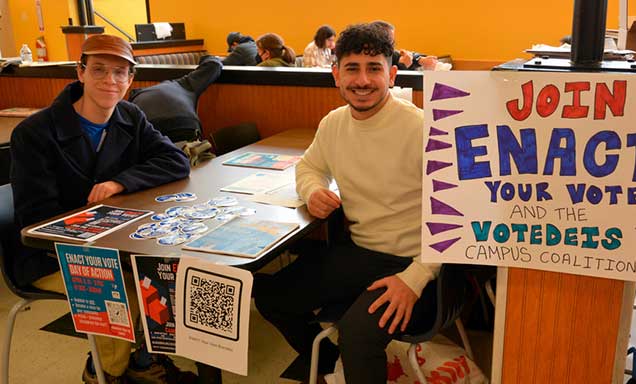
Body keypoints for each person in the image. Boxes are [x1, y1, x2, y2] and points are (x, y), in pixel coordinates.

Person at [254, 23, 440, 383]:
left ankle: (349, 366)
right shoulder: (334, 124)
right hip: (360, 255)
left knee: (359, 335)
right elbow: (309, 166)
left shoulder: (422, 129)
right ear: (336, 75)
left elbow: (456, 215)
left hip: (415, 264)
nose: (363, 80)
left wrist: (415, 278)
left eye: (374, 69)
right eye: (352, 68)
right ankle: (329, 367)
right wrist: (312, 191)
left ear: (392, 74)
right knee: (271, 298)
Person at [10, 34, 193, 384]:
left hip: (113, 242)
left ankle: (141, 362)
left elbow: (175, 161)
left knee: (159, 272)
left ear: (130, 80)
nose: (110, 81)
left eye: (120, 73)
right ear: (79, 73)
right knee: (120, 286)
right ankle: (105, 374)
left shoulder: (129, 115)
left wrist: (120, 182)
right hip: (46, 255)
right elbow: (37, 219)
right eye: (99, 70)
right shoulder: (35, 133)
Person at [129, 55, 222, 143]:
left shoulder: (134, 100)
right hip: (184, 124)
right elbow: (214, 65)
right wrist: (208, 57)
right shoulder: (183, 84)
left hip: (150, 127)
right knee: (194, 154)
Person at [371, 20, 438, 71]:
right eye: (389, 41)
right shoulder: (369, 58)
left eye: (393, 41)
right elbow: (387, 83)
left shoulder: (390, 54)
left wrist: (421, 60)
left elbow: (412, 55)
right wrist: (403, 66)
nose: (392, 45)